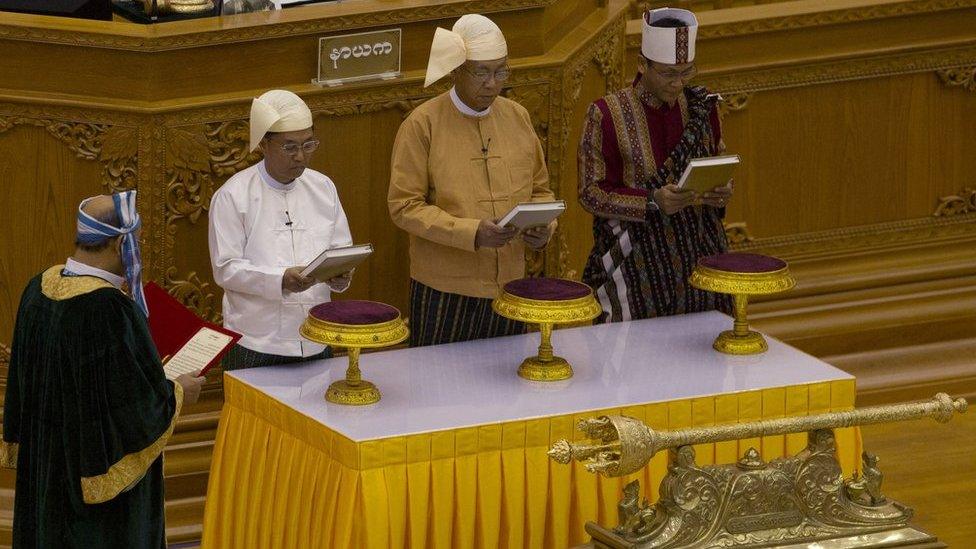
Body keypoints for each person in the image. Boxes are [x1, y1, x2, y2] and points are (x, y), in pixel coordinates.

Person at [1, 191, 204, 548]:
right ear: (118, 244)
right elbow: (134, 415)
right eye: (136, 242)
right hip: (94, 501)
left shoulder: (37, 289)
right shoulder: (109, 309)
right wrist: (179, 391)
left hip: (47, 472)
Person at [388, 14, 556, 347]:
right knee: (441, 387)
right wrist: (471, 233)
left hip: (510, 282)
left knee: (507, 387)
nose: (492, 83)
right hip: (445, 289)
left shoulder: (517, 116)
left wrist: (543, 228)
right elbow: (404, 206)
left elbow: (540, 190)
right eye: (481, 72)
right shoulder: (422, 124)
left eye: (500, 71)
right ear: (455, 70)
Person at [578, 7, 734, 323]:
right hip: (634, 263)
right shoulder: (605, 115)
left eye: (687, 72)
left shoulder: (703, 108)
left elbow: (716, 163)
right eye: (667, 74)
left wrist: (721, 192)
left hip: (699, 254)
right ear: (642, 65)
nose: (678, 84)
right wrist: (652, 201)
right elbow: (590, 193)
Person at [209, 89, 354, 369]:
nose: (300, 156)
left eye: (308, 145)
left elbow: (340, 250)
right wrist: (280, 279)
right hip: (256, 341)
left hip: (316, 334)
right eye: (289, 147)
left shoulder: (323, 187)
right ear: (264, 144)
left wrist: (340, 275)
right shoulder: (234, 195)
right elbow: (225, 269)